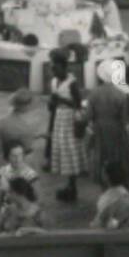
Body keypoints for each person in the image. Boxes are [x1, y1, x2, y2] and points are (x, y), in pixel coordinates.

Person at [85, 59, 129, 183]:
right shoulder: (121, 94)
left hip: (99, 128)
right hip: (116, 128)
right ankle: (119, 180)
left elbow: (89, 115)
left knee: (101, 155)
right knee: (117, 155)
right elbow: (125, 119)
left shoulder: (93, 93)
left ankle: (102, 181)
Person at [48, 52, 86, 203]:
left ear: (64, 68)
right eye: (53, 69)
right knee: (62, 150)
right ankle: (69, 185)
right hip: (59, 118)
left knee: (70, 150)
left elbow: (78, 104)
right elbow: (53, 102)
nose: (54, 72)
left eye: (57, 69)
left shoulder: (72, 83)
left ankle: (73, 186)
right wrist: (52, 104)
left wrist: (62, 100)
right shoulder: (54, 81)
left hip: (70, 119)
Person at [91, 161, 129, 229]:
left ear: (107, 176)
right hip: (121, 228)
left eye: (103, 173)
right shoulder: (126, 193)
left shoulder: (108, 198)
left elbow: (100, 221)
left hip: (107, 232)